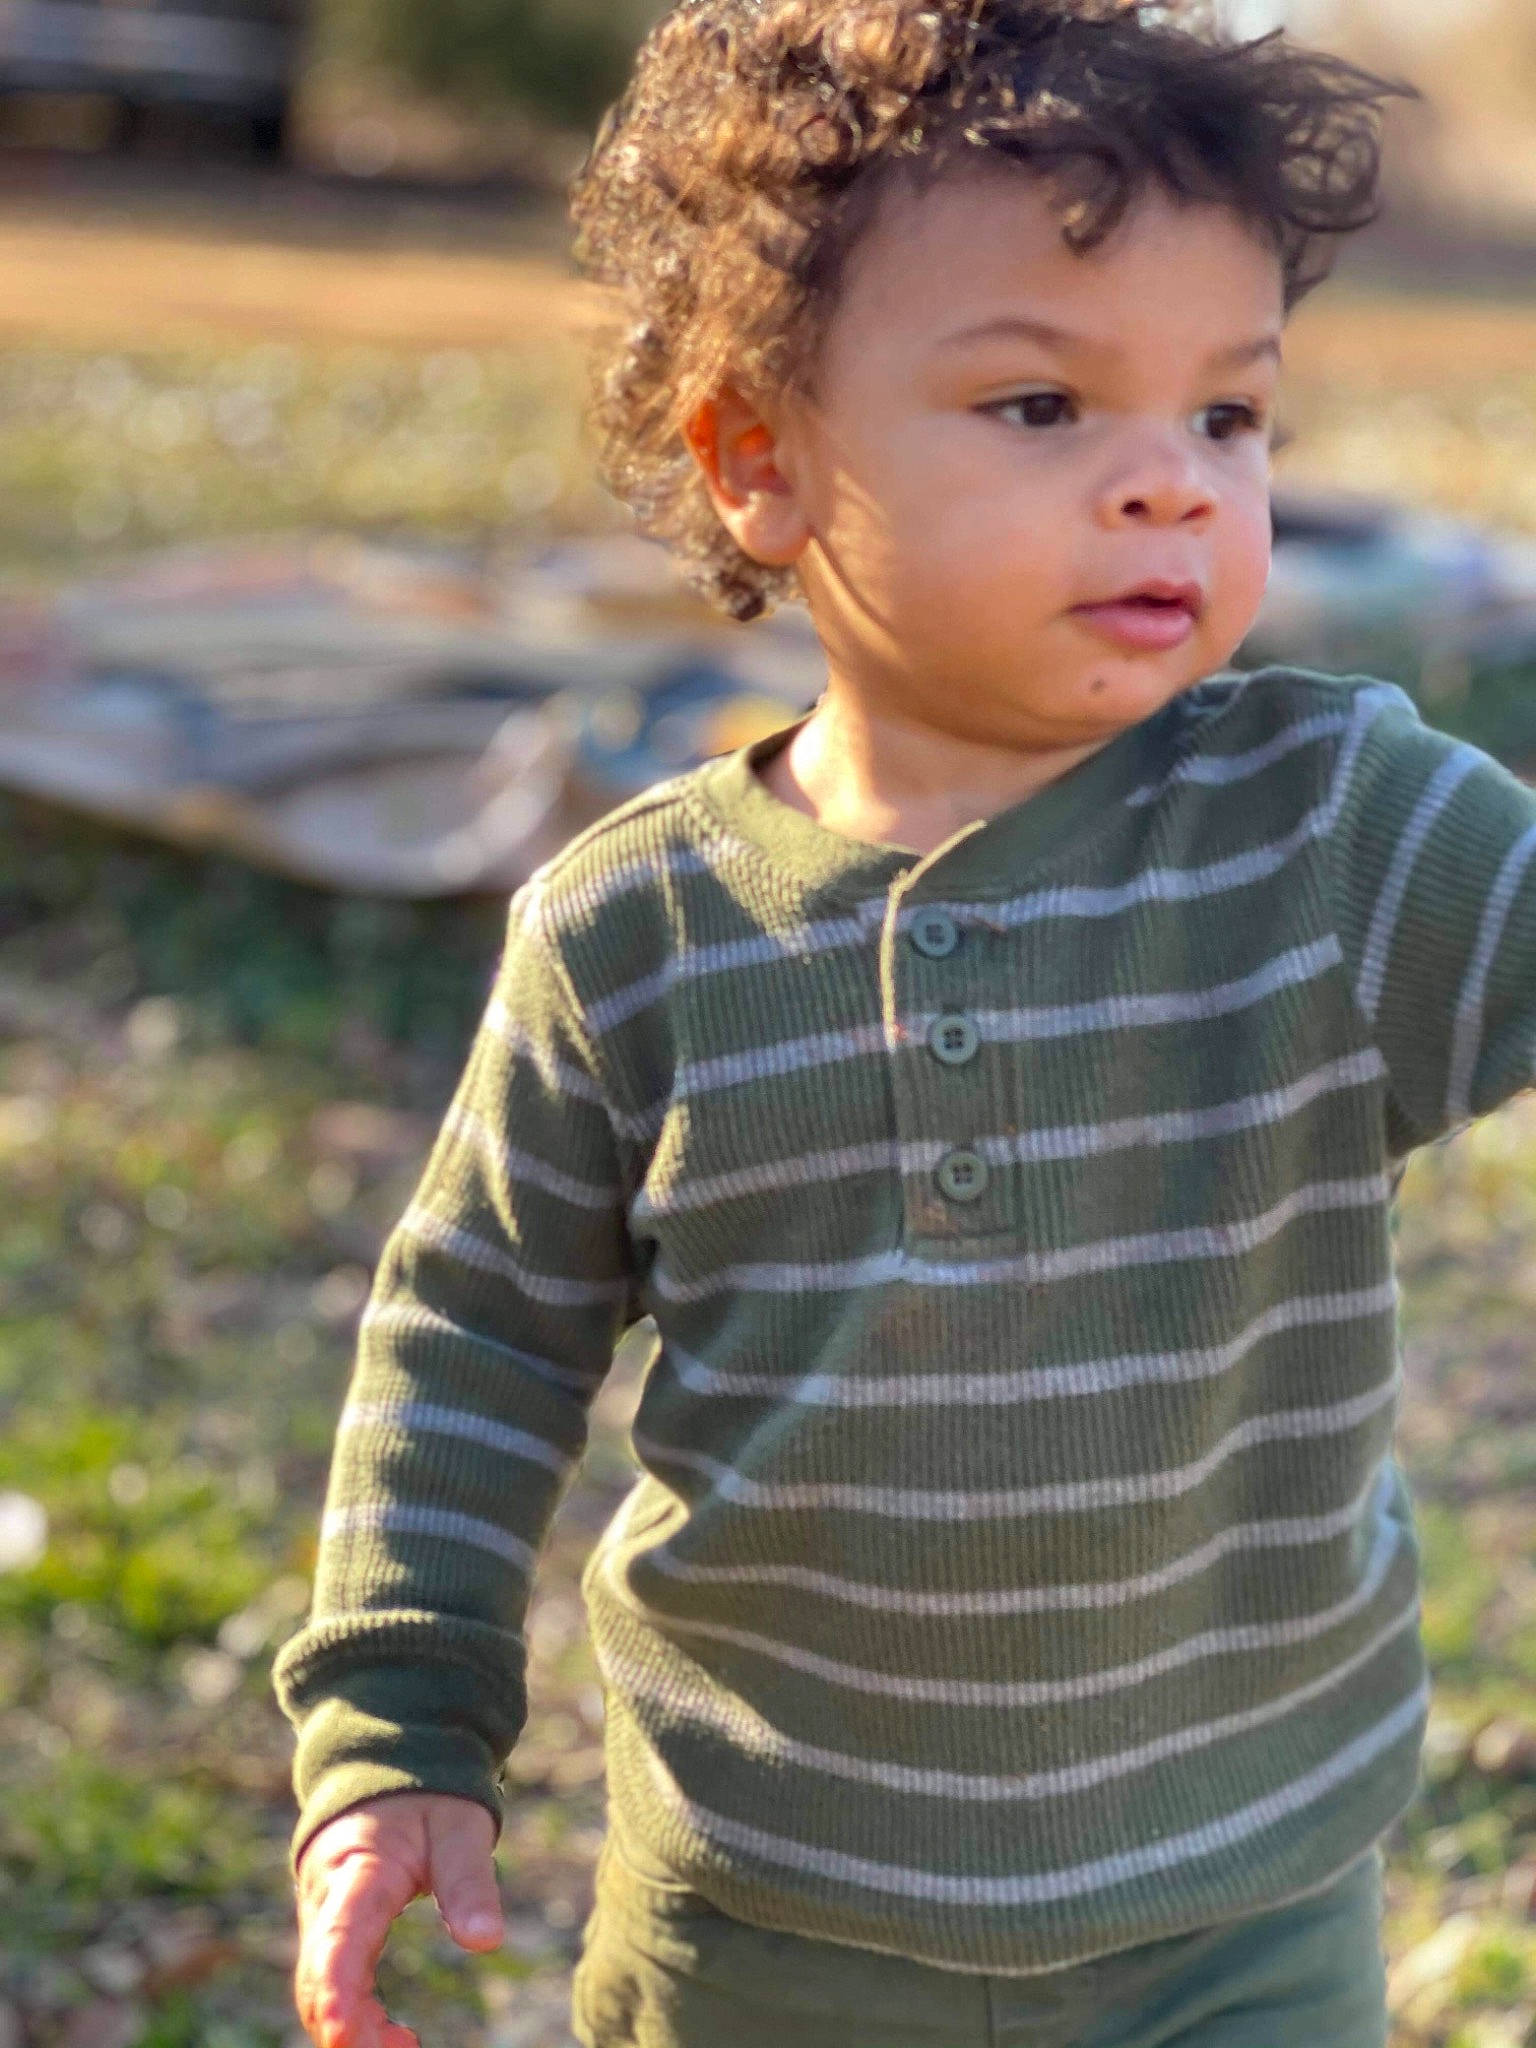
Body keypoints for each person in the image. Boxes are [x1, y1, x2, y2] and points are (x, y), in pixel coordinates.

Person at [275, 5, 1536, 2044]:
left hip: (1239, 1914)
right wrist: (397, 1723)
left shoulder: (1344, 833)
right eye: (1043, 406)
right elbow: (474, 1332)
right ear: (760, 458)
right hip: (767, 1926)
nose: (1169, 491)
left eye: (1231, 417)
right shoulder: (634, 934)